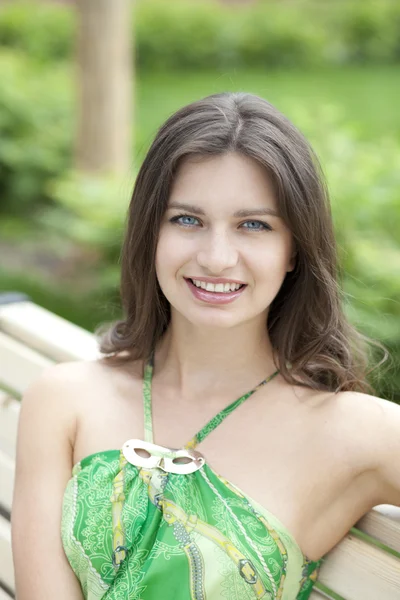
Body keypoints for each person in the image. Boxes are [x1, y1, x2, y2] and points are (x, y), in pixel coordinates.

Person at [11, 92, 400, 600]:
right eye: (187, 220)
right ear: (150, 234)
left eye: (253, 225)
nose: (217, 257)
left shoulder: (353, 430)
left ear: (294, 251)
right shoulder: (65, 400)